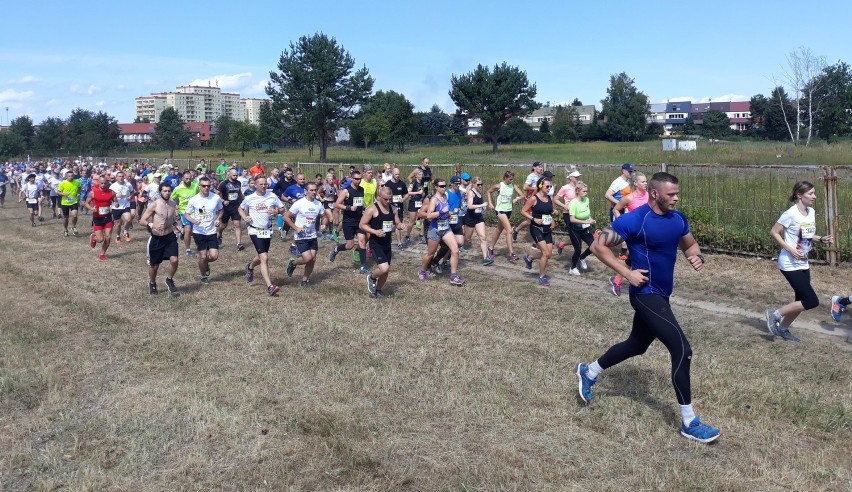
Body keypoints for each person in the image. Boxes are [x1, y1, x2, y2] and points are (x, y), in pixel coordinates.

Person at [579, 171, 720, 444]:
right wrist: (627, 272)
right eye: (671, 194)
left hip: (662, 294)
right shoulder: (636, 219)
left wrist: (695, 255)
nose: (676, 198)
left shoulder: (678, 219)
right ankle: (689, 422)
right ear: (655, 193)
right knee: (682, 349)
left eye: (677, 193)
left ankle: (589, 371)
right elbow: (598, 246)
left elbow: (689, 243)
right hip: (645, 293)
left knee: (637, 345)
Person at [765, 181, 832, 342]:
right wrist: (789, 248)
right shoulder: (790, 214)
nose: (814, 196)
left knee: (800, 300)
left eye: (814, 193)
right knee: (811, 301)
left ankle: (782, 329)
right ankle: (775, 315)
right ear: (799, 195)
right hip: (789, 263)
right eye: (810, 193)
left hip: (803, 262)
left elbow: (805, 234)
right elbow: (774, 232)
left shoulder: (811, 212)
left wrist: (820, 239)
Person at [239, 174, 284, 296]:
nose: (264, 186)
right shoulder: (250, 198)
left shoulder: (272, 196)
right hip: (254, 230)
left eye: (265, 184)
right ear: (255, 184)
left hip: (267, 230)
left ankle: (250, 267)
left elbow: (282, 209)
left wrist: (276, 211)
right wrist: (245, 217)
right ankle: (270, 286)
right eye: (261, 184)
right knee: (264, 257)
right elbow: (240, 208)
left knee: (261, 256)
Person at [283, 182, 332, 287]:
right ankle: (293, 263)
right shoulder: (299, 203)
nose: (314, 192)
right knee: (307, 258)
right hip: (301, 236)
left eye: (315, 190)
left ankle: (305, 280)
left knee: (313, 259)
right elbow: (286, 217)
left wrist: (324, 224)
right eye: (311, 190)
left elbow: (324, 217)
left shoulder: (318, 204)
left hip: (312, 235)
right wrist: (296, 228)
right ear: (306, 191)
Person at [418, 178, 465, 286]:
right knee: (430, 254)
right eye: (441, 186)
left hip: (446, 228)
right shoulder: (434, 200)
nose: (444, 188)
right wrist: (440, 212)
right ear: (436, 187)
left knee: (455, 250)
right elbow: (429, 216)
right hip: (435, 229)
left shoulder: (445, 197)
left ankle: (453, 276)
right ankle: (422, 270)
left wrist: (449, 213)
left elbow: (446, 211)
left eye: (445, 186)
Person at [361, 186, 406, 297]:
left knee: (386, 271)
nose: (388, 201)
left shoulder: (393, 209)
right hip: (376, 243)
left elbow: (397, 223)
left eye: (390, 199)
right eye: (385, 199)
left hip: (387, 243)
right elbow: (362, 224)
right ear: (379, 196)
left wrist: (401, 225)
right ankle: (371, 277)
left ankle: (378, 290)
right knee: (383, 268)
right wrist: (374, 231)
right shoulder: (372, 209)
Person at [608, 172, 649, 294]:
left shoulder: (650, 196)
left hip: (648, 232)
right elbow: (616, 209)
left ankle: (617, 279)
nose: (646, 183)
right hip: (635, 233)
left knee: (631, 259)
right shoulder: (629, 198)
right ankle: (622, 280)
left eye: (646, 181)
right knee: (638, 257)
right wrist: (622, 222)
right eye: (643, 181)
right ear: (635, 183)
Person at [140, 182, 180, 295]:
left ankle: (169, 279)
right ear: (160, 192)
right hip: (157, 238)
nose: (167, 193)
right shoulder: (154, 205)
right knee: (154, 265)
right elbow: (142, 221)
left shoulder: (173, 204)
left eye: (169, 191)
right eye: (164, 191)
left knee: (175, 260)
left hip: (170, 237)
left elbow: (173, 220)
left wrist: (178, 227)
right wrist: (153, 225)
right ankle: (152, 283)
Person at [184, 177, 224, 284]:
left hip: (211, 231)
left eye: (208, 186)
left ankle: (204, 263)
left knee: (214, 256)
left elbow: (221, 210)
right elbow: (186, 214)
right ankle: (203, 276)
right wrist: (193, 220)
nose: (206, 188)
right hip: (199, 232)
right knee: (203, 256)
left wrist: (218, 219)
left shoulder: (215, 198)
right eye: (203, 186)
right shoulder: (194, 199)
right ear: (199, 186)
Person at [328, 170, 369, 274]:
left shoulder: (361, 189)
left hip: (359, 221)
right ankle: (336, 249)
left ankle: (363, 267)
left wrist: (363, 209)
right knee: (349, 245)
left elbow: (359, 202)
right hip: (348, 221)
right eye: (356, 179)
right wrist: (349, 208)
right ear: (351, 178)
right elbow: (337, 204)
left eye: (360, 179)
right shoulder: (346, 191)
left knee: (362, 241)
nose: (358, 181)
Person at [520, 176, 555, 286]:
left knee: (548, 254)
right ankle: (542, 277)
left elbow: (549, 211)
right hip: (536, 228)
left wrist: (554, 215)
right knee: (545, 253)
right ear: (540, 186)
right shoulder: (534, 198)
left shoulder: (549, 198)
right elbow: (523, 211)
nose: (549, 188)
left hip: (546, 228)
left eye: (550, 186)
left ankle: (530, 257)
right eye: (547, 186)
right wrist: (533, 219)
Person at [485, 171, 524, 263]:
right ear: (505, 178)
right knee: (509, 230)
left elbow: (522, 195)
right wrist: (490, 203)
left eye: (512, 179)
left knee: (498, 230)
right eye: (510, 179)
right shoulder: (499, 186)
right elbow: (488, 191)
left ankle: (490, 248)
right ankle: (511, 254)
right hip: (500, 210)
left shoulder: (513, 185)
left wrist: (516, 199)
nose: (511, 181)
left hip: (508, 211)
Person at [564, 182, 597, 277]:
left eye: (587, 191)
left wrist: (590, 219)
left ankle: (582, 258)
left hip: (585, 228)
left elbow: (587, 213)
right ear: (577, 191)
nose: (586, 193)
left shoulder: (586, 200)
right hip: (574, 229)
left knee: (593, 247)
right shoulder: (573, 203)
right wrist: (586, 222)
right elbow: (572, 219)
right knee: (577, 249)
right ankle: (573, 268)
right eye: (584, 191)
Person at [84, 174, 118, 261]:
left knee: (108, 237)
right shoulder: (93, 192)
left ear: (107, 183)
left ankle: (102, 253)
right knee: (100, 239)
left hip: (107, 217)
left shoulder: (111, 192)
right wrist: (92, 208)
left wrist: (116, 204)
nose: (103, 185)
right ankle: (94, 237)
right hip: (97, 218)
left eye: (105, 183)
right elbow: (86, 203)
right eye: (102, 183)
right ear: (98, 183)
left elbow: (115, 201)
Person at [463, 176, 493, 266]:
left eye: (481, 184)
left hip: (479, 218)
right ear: (474, 184)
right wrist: (481, 205)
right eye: (478, 184)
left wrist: (483, 206)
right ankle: (453, 248)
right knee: (466, 239)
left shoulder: (479, 192)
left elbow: (479, 204)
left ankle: (485, 258)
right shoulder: (471, 193)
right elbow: (470, 206)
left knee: (483, 237)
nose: (480, 186)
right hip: (470, 218)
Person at [512, 161, 544, 241]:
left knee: (537, 217)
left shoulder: (540, 176)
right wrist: (536, 188)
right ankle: (516, 230)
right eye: (539, 167)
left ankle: (539, 236)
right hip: (530, 199)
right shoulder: (531, 176)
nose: (541, 168)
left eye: (541, 167)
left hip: (538, 199)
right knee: (529, 220)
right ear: (534, 168)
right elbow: (525, 187)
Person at [172, 170, 200, 257]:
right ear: (182, 178)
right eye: (186, 178)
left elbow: (200, 196)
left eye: (189, 178)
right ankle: (188, 249)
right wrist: (175, 205)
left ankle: (199, 245)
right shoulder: (178, 188)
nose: (188, 180)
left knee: (194, 230)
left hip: (195, 211)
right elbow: (172, 198)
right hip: (184, 211)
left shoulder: (195, 186)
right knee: (188, 229)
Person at [553, 168, 581, 254]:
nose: (578, 178)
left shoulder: (580, 187)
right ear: (571, 178)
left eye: (578, 177)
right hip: (568, 214)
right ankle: (578, 256)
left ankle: (562, 244)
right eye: (576, 177)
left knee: (578, 235)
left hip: (579, 214)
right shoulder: (565, 188)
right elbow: (556, 199)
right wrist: (565, 206)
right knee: (576, 236)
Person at [217, 169, 245, 251]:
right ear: (229, 175)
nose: (235, 177)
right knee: (224, 225)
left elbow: (239, 193)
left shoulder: (238, 183)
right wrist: (223, 201)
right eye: (234, 175)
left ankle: (239, 244)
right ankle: (219, 233)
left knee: (237, 224)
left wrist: (244, 200)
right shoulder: (223, 184)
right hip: (226, 207)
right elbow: (217, 194)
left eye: (236, 175)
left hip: (236, 206)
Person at [383, 167, 408, 248]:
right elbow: (383, 193)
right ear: (392, 174)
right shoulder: (388, 184)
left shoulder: (402, 184)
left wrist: (403, 199)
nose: (397, 176)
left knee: (398, 224)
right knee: (389, 225)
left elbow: (406, 194)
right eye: (396, 174)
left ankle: (399, 242)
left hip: (399, 208)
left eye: (398, 174)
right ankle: (387, 238)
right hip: (389, 207)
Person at [403, 168, 425, 246]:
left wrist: (422, 194)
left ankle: (421, 235)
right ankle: (407, 236)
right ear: (416, 175)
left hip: (420, 202)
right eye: (419, 174)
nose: (421, 176)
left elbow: (422, 191)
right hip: (413, 203)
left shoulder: (422, 182)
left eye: (422, 174)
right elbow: (408, 192)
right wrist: (417, 192)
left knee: (422, 219)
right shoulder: (413, 183)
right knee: (412, 222)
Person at [57, 170, 81, 237]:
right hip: (65, 203)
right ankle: (65, 230)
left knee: (75, 215)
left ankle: (73, 226)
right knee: (66, 218)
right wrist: (64, 194)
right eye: (69, 176)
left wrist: (78, 192)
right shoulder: (63, 183)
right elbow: (58, 192)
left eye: (72, 176)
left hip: (74, 201)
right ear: (66, 177)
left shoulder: (77, 182)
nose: (71, 177)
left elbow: (79, 187)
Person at [321, 172, 340, 242]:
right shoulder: (324, 186)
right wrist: (321, 198)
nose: (331, 181)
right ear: (327, 180)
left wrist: (339, 200)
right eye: (330, 180)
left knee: (327, 219)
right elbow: (318, 192)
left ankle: (323, 231)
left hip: (332, 203)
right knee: (331, 218)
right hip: (326, 203)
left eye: (332, 179)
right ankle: (331, 233)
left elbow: (338, 194)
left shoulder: (335, 186)